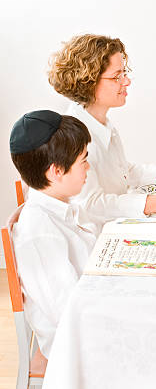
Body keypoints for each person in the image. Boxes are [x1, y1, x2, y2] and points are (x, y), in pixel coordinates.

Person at [48, 34, 156, 220]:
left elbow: (122, 172)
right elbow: (90, 205)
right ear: (88, 82)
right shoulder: (72, 137)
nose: (126, 81)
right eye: (116, 77)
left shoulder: (100, 123)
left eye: (124, 73)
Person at [10, 110, 99, 357]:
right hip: (80, 347)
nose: (88, 167)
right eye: (83, 161)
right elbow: (70, 315)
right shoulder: (40, 234)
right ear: (56, 171)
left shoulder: (59, 208)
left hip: (95, 309)